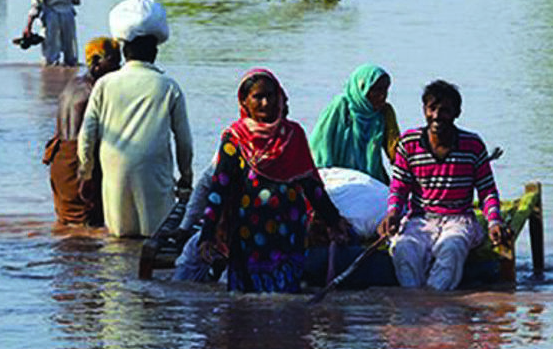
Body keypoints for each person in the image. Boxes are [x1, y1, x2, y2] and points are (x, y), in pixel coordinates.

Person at [197, 69, 352, 293]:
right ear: (244, 101)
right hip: (248, 233)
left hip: (288, 232)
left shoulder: (293, 135)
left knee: (284, 295)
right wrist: (207, 234)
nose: (265, 102)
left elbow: (311, 185)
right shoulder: (235, 139)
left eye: (270, 95)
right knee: (247, 300)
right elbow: (219, 187)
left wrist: (334, 220)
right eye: (257, 97)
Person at [77, 0, 194, 238]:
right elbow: (184, 141)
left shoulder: (104, 85)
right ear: (155, 51)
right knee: (154, 238)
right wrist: (185, 178)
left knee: (118, 240)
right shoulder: (167, 86)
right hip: (154, 173)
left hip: (115, 170)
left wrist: (86, 173)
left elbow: (87, 135)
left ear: (123, 51)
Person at [379, 80, 508, 291]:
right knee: (403, 249)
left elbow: (487, 191)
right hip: (420, 219)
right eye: (432, 109)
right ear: (424, 111)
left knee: (452, 248)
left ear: (457, 113)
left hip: (458, 219)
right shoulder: (408, 143)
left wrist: (494, 221)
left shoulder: (472, 145)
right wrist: (392, 214)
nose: (437, 116)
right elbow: (399, 188)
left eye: (445, 110)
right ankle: (414, 308)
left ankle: (436, 307)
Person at [44, 37, 121, 227]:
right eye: (113, 62)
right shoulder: (95, 92)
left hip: (59, 160)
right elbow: (90, 141)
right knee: (87, 226)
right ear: (95, 63)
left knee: (67, 227)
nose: (119, 68)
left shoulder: (72, 85)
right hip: (76, 162)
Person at [310, 63, 400, 184]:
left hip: (372, 179)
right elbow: (321, 144)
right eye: (377, 90)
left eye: (385, 90)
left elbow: (395, 150)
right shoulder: (342, 106)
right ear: (363, 88)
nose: (383, 96)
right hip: (339, 178)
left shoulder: (385, 112)